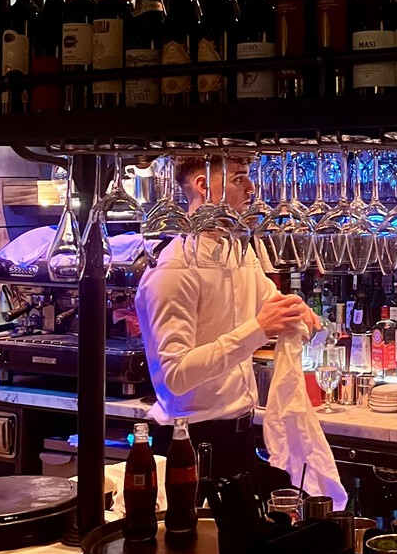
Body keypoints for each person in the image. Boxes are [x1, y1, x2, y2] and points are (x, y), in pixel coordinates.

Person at [135, 154, 319, 482]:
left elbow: (273, 307)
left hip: (241, 435)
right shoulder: (174, 268)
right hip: (190, 443)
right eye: (238, 178)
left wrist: (297, 313)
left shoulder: (240, 253)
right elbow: (175, 375)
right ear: (203, 185)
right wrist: (259, 329)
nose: (252, 188)